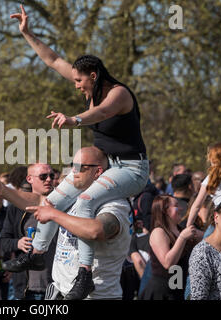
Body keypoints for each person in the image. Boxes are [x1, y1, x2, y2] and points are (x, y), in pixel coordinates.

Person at [8, 5, 149, 299]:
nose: (75, 86)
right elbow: (53, 59)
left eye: (79, 81)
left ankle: (84, 274)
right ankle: (37, 252)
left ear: (94, 76)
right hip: (105, 166)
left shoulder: (118, 94)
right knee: (53, 200)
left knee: (84, 202)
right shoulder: (88, 86)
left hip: (131, 170)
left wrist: (75, 119)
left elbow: (102, 112)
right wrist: (27, 33)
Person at [0, 147, 132, 300]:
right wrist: (3, 191)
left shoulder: (115, 205)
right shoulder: (73, 198)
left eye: (79, 167)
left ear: (97, 172)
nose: (73, 172)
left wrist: (54, 214)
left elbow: (96, 231)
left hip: (97, 296)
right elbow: (39, 200)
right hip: (60, 291)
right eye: (73, 166)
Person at [0, 163, 57, 300]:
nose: (48, 179)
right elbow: (3, 241)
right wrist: (18, 243)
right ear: (30, 179)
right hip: (28, 288)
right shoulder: (16, 208)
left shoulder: (62, 204)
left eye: (51, 175)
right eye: (43, 176)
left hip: (58, 286)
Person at [139, 195, 202, 300]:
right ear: (165, 210)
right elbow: (167, 263)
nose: (181, 208)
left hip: (177, 290)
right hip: (161, 292)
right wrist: (182, 238)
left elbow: (209, 238)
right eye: (176, 205)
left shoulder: (181, 230)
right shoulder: (158, 232)